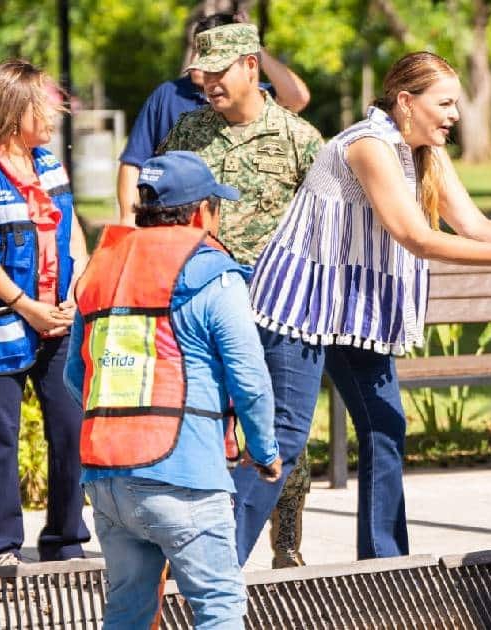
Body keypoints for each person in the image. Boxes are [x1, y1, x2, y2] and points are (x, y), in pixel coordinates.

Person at [238, 51, 491, 564]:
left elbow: (472, 225)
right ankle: (213, 570)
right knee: (284, 437)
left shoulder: (426, 150)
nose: (455, 114)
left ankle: (385, 565)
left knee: (385, 427)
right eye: (446, 103)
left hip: (352, 307)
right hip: (299, 302)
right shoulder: (368, 146)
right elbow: (415, 237)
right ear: (406, 101)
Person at [64, 151, 281, 628]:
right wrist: (265, 452)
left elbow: (76, 378)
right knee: (218, 607)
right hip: (184, 477)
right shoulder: (212, 275)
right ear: (203, 212)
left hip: (107, 479)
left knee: (127, 611)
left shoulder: (101, 272)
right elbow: (249, 376)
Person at [157, 21, 324, 567]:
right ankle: (208, 543)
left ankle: (287, 545)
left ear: (251, 65)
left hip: (280, 300)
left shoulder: (298, 137)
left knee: (283, 427)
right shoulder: (187, 133)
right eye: (201, 74)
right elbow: (159, 209)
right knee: (209, 420)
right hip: (205, 299)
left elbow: (326, 218)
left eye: (220, 70)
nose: (207, 82)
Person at [0, 60, 91, 568]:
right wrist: (26, 306)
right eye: (44, 107)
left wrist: (76, 287)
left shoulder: (49, 162)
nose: (55, 116)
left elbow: (71, 229)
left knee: (70, 429)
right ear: (13, 111)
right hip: (0, 327)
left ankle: (66, 541)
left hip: (59, 321)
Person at [116, 11, 311, 225]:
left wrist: (253, 45)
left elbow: (297, 98)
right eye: (199, 50)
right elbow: (135, 162)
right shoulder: (170, 99)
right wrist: (128, 218)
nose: (202, 64)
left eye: (218, 64)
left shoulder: (261, 102)